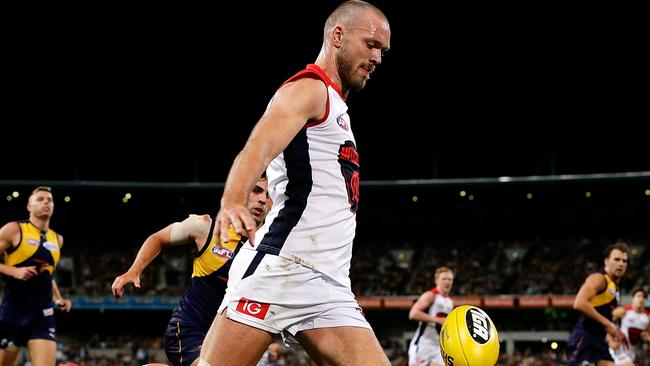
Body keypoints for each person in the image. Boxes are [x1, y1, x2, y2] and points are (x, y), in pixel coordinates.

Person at [198, 1, 391, 365]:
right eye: (370, 44)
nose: (377, 58)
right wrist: (233, 199)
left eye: (382, 50)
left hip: (329, 285)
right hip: (280, 267)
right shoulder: (309, 89)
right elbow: (259, 144)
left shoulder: (337, 109)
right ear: (338, 36)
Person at [111, 176, 271, 366]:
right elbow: (158, 238)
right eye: (257, 191)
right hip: (190, 331)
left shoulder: (271, 250)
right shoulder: (206, 228)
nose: (262, 199)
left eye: (269, 195)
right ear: (241, 193)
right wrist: (134, 270)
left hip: (228, 339)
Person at [0, 186, 72, 366]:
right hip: (12, 312)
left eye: (49, 199)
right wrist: (14, 271)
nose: (46, 202)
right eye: (40, 199)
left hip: (42, 314)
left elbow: (49, 274)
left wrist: (58, 298)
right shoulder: (14, 229)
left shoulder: (58, 239)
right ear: (29, 206)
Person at [567, 241, 630, 366]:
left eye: (624, 261)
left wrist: (615, 330)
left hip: (600, 342)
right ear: (606, 261)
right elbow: (579, 303)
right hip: (585, 338)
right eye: (617, 259)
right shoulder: (599, 278)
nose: (621, 264)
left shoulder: (615, 287)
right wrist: (607, 323)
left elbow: (604, 313)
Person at [407, 267, 454, 366]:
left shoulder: (450, 302)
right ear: (436, 280)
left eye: (450, 279)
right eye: (444, 279)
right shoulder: (430, 295)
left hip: (439, 346)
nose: (447, 282)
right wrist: (437, 320)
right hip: (423, 344)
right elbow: (413, 313)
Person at [607, 288, 650, 366]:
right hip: (619, 349)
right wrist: (610, 340)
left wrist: (647, 338)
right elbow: (605, 323)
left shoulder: (647, 317)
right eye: (639, 296)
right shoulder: (623, 311)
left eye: (644, 297)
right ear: (632, 298)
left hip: (632, 352)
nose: (641, 299)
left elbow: (648, 335)